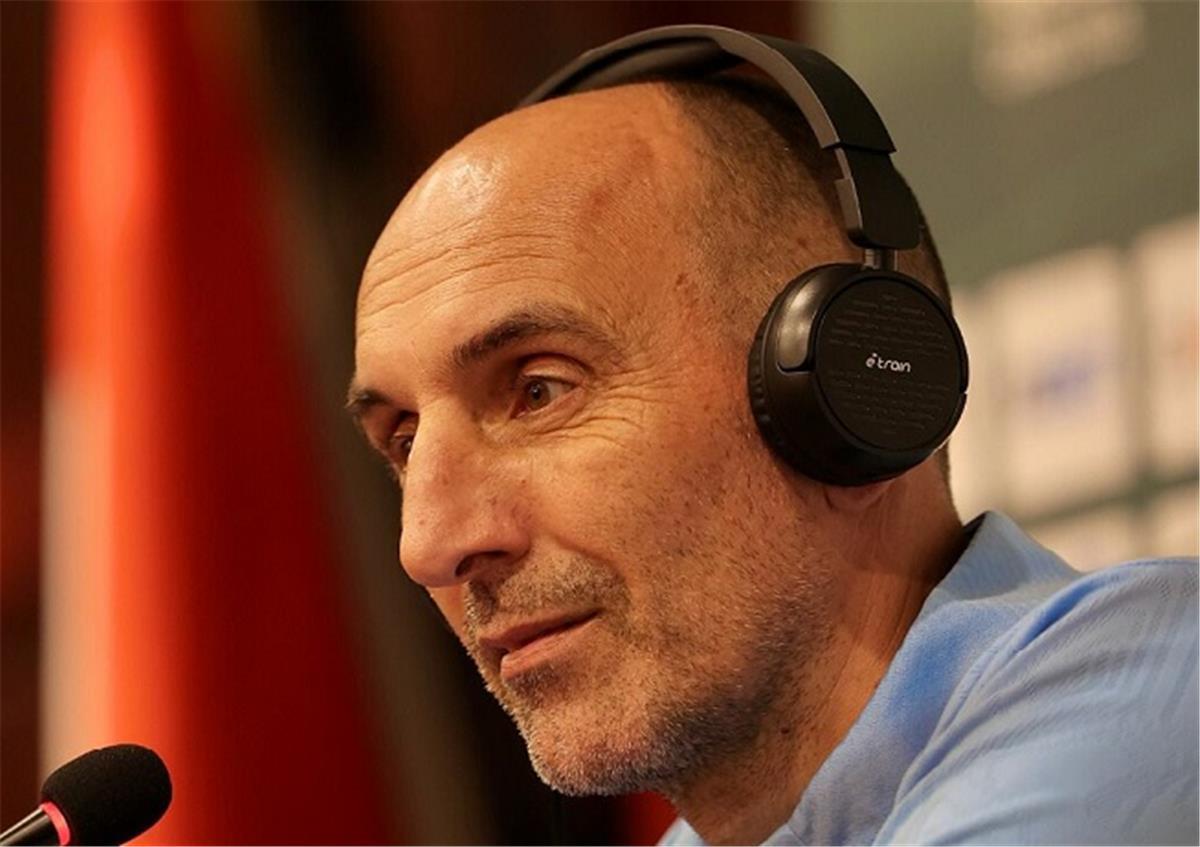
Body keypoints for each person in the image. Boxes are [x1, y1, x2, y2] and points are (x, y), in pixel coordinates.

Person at [348, 29, 1199, 846]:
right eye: (405, 441)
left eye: (539, 390)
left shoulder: (1146, 698)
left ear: (849, 388)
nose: (429, 544)